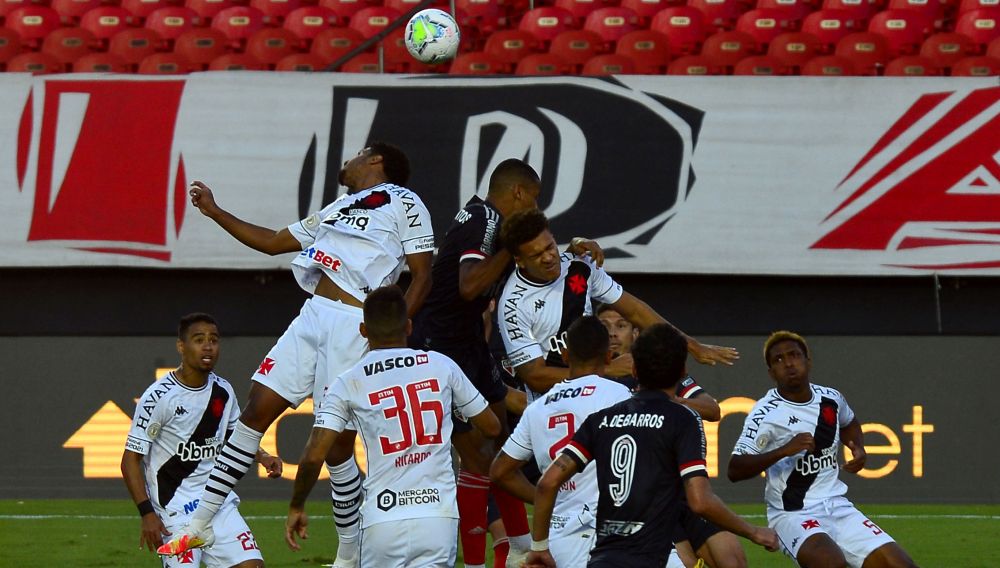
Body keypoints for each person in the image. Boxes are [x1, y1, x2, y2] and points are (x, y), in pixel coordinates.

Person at [158, 143, 435, 568]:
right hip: (313, 315)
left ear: (375, 161)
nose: (348, 161)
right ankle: (203, 524)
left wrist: (391, 330)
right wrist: (215, 211)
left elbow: (422, 274)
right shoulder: (338, 208)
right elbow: (272, 242)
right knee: (255, 409)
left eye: (357, 154)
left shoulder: (406, 201)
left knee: (338, 445)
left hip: (353, 321)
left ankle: (348, 557)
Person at [410, 159, 604, 568]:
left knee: (498, 443)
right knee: (480, 458)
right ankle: (487, 559)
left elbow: (522, 259)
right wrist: (512, 246)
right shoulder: (483, 218)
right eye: (532, 199)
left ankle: (519, 545)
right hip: (441, 346)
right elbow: (469, 286)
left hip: (467, 345)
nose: (533, 208)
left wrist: (560, 251)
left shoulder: (489, 222)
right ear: (518, 192)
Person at [525, 324, 778, 568]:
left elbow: (547, 484)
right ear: (682, 372)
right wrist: (754, 532)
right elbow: (700, 500)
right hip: (653, 556)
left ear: (633, 370)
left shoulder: (601, 419)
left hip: (604, 558)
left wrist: (539, 549)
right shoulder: (681, 418)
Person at [283, 286, 501, 567]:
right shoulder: (441, 366)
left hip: (383, 517)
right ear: (409, 326)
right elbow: (492, 427)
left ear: (363, 330)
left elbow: (315, 455)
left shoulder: (348, 381)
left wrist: (297, 504)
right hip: (437, 516)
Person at [497, 209, 739, 403]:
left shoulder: (579, 266)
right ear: (519, 260)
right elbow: (535, 376)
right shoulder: (513, 305)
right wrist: (607, 370)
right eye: (537, 255)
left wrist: (691, 345)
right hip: (553, 411)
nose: (549, 257)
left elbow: (635, 310)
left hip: (597, 399)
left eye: (550, 247)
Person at [727, 331, 918, 568]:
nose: (788, 363)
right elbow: (734, 470)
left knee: (900, 565)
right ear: (771, 373)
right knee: (830, 563)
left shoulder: (831, 398)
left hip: (837, 506)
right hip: (793, 513)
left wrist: (857, 446)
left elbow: (849, 422)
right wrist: (783, 450)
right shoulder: (765, 413)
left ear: (808, 361)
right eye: (778, 360)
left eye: (794, 355)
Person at [122, 313, 283, 568]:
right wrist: (147, 514)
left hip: (217, 502)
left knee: (252, 566)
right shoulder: (157, 398)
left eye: (214, 340)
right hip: (175, 512)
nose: (208, 346)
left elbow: (235, 435)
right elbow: (130, 460)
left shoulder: (223, 391)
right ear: (181, 346)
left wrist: (262, 456)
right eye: (199, 340)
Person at [596, 304, 738, 568]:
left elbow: (712, 409)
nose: (613, 333)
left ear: (636, 333)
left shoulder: (660, 368)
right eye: (605, 326)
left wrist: (667, 400)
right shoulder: (597, 382)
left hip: (684, 492)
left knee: (733, 558)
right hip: (642, 499)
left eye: (621, 325)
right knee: (681, 562)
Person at [490, 316, 633, 567]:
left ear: (565, 356)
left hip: (557, 538)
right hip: (608, 531)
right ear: (609, 358)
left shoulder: (537, 407)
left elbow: (500, 471)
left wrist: (546, 498)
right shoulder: (619, 396)